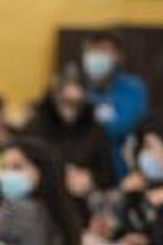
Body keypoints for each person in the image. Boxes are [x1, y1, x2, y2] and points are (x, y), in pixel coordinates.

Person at [27, 77, 114, 224]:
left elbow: (108, 175)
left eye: (77, 103)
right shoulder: (36, 126)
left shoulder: (94, 130)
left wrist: (91, 179)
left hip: (80, 209)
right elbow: (22, 164)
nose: (71, 108)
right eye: (66, 101)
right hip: (40, 205)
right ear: (55, 99)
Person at [81, 33, 150, 180]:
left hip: (121, 169)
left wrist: (86, 126)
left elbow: (123, 125)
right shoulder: (80, 87)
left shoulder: (132, 88)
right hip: (86, 170)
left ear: (118, 56)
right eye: (93, 50)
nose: (97, 56)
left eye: (104, 51)